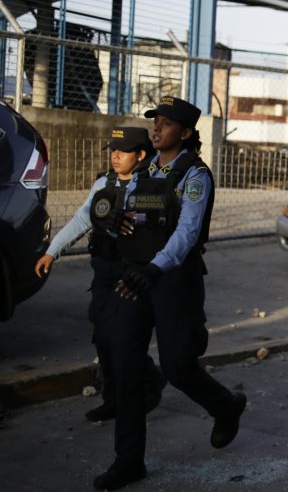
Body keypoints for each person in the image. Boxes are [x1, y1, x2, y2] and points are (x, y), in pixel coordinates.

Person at [94, 97, 246, 491]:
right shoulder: (143, 171)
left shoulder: (194, 175)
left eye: (165, 123)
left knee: (178, 366)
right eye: (155, 121)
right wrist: (113, 220)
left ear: (186, 132)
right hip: (136, 276)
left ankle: (226, 406)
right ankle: (129, 461)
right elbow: (130, 218)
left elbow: (187, 233)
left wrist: (155, 268)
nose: (157, 128)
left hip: (173, 280)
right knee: (126, 364)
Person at [34, 127, 165, 423]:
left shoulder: (153, 184)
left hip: (133, 272)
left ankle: (143, 386)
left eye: (123, 151)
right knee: (103, 335)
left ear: (140, 155)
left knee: (123, 336)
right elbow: (82, 219)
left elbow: (159, 217)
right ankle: (115, 398)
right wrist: (52, 252)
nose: (115, 156)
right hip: (104, 269)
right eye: (112, 150)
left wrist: (133, 216)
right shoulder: (104, 183)